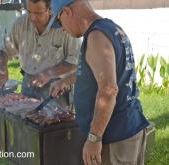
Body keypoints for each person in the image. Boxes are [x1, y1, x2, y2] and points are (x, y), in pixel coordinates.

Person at [47, 0, 149, 165]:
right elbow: (98, 72)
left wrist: (94, 138)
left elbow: (109, 89)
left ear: (67, 11)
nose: (63, 29)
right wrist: (65, 80)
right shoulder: (111, 28)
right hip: (127, 129)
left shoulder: (96, 37)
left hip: (115, 139)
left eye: (59, 22)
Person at [0, 0, 81, 108]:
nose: (32, 18)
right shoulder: (20, 24)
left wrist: (48, 74)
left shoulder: (65, 25)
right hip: (28, 83)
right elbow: (2, 50)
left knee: (54, 121)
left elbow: (75, 61)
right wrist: (2, 68)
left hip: (56, 87)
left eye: (38, 13)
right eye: (29, 12)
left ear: (50, 10)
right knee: (24, 120)